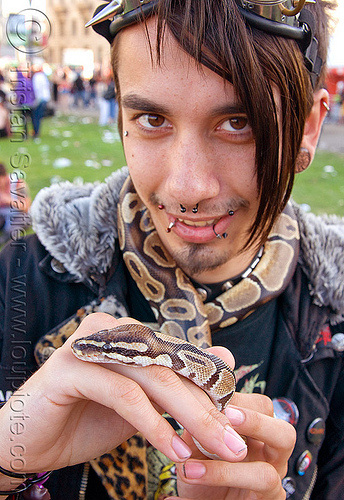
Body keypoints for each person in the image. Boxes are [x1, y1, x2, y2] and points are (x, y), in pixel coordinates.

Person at [0, 0, 343, 499]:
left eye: (239, 122)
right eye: (152, 118)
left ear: (308, 129)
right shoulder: (19, 282)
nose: (187, 188)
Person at [0, 162, 31, 246]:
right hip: (2, 215)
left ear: (4, 176)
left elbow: (26, 207)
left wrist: (9, 201)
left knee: (13, 229)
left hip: (18, 214)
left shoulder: (17, 184)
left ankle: (5, 241)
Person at [30, 66, 51, 138]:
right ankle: (37, 131)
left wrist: (36, 100)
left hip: (39, 99)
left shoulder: (36, 77)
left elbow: (37, 89)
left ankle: (36, 132)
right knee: (38, 117)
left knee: (35, 117)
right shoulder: (43, 76)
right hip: (44, 99)